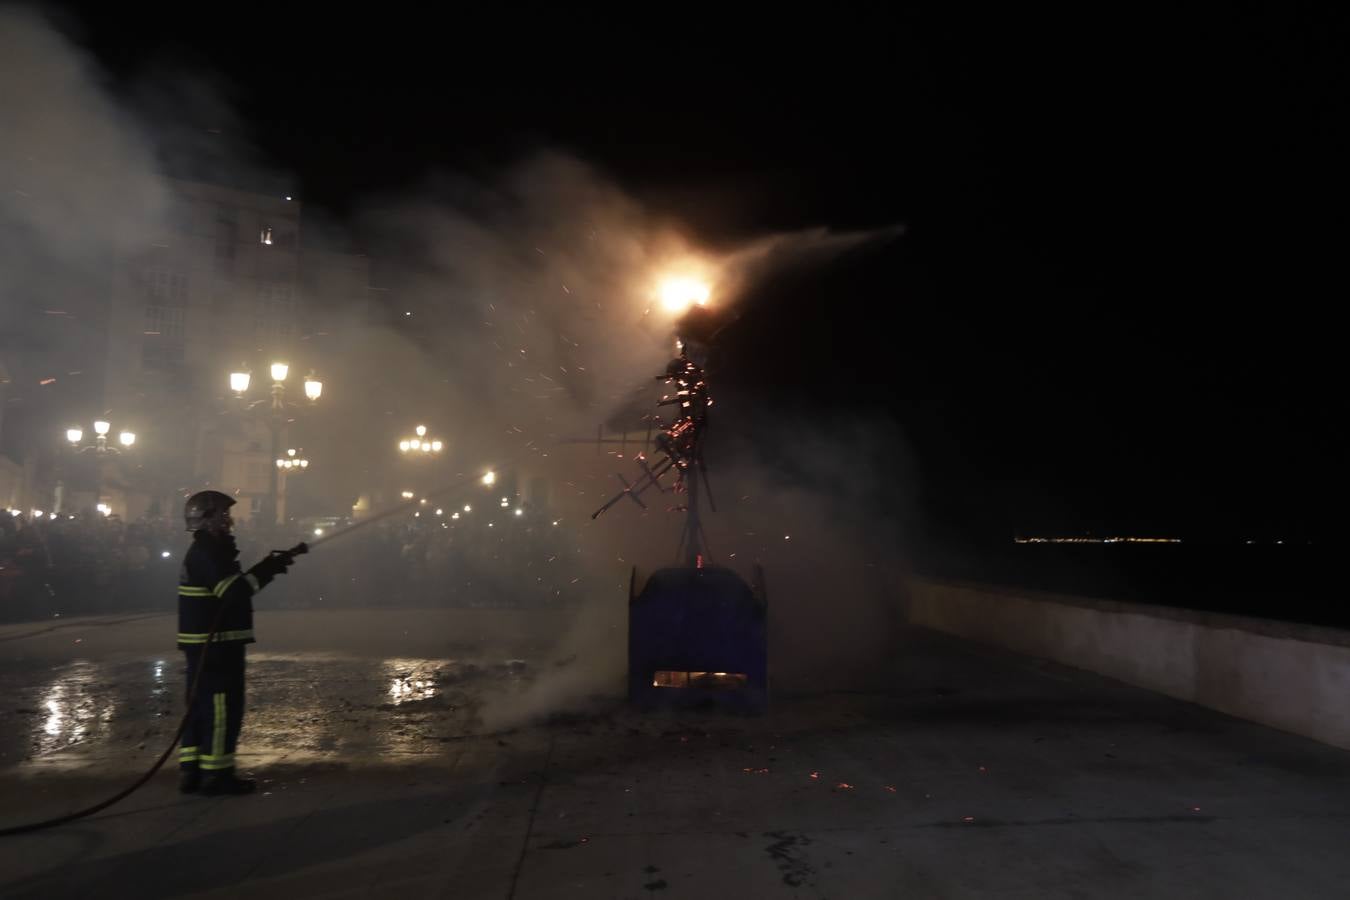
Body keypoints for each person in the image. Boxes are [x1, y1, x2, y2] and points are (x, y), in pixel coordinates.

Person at [176, 490, 295, 795]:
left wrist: (269, 566)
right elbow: (235, 592)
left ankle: (192, 771)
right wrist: (268, 569)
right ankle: (217, 775)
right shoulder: (209, 553)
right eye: (222, 515)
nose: (229, 521)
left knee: (200, 708)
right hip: (216, 646)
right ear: (206, 518)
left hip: (206, 645)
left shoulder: (207, 550)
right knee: (221, 708)